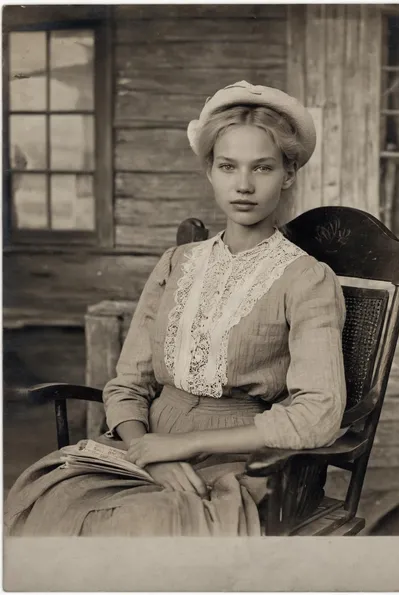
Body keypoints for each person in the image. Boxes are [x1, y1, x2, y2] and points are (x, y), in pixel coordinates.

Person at [4, 81, 347, 537]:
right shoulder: (177, 263)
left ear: (287, 174)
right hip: (139, 447)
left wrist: (183, 445)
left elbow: (317, 414)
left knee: (138, 526)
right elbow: (128, 383)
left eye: (262, 168)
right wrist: (147, 448)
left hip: (238, 459)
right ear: (209, 171)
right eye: (228, 166)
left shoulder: (307, 279)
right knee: (46, 500)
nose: (243, 185)